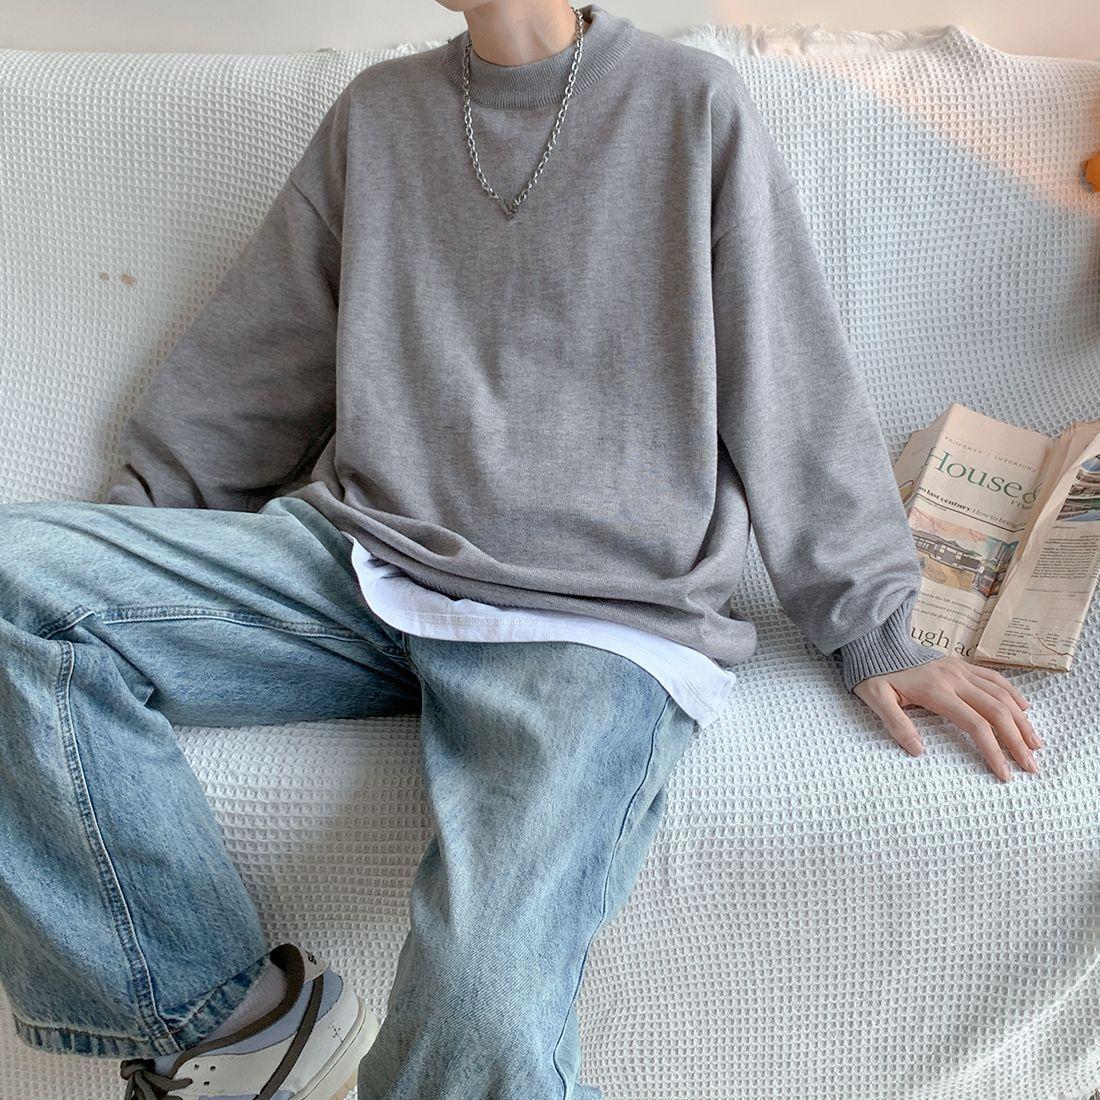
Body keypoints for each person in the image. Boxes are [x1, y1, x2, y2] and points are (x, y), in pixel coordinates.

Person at [0, 2, 1044, 1098]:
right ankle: (236, 1030)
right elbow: (254, 366)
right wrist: (134, 545)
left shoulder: (689, 105)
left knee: (478, 1014)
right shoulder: (379, 115)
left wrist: (874, 629)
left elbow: (788, 378)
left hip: (594, 618)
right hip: (365, 565)